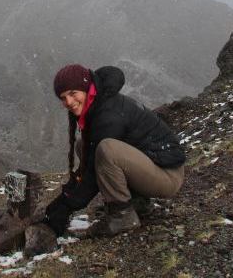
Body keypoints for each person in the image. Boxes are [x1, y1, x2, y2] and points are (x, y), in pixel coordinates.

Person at [34, 64, 186, 241]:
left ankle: (122, 217)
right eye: (63, 97)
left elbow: (92, 174)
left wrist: (64, 206)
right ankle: (137, 203)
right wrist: (67, 196)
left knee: (107, 150)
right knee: (83, 146)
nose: (68, 102)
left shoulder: (108, 114)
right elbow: (89, 164)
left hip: (168, 176)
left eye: (73, 93)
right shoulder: (98, 102)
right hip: (153, 167)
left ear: (86, 88)